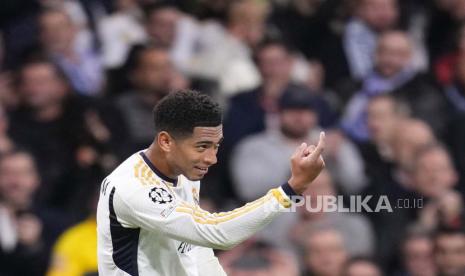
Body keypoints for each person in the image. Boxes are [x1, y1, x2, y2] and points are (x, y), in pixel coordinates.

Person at [96, 90, 326, 275]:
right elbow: (213, 231)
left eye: (216, 146)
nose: (212, 158)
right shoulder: (134, 187)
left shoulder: (185, 171)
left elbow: (195, 249)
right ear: (166, 141)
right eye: (202, 146)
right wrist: (292, 189)